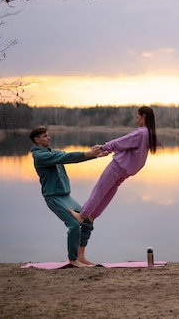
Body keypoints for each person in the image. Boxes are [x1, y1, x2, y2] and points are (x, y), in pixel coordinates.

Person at [29, 126, 108, 268]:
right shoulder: (41, 157)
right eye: (45, 136)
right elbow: (66, 157)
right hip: (54, 197)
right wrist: (89, 153)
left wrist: (94, 155)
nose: (49, 138)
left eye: (48, 135)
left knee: (87, 219)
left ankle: (81, 257)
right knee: (74, 224)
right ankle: (73, 260)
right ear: (37, 139)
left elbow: (72, 158)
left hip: (66, 196)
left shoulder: (52, 153)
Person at [69, 106, 160, 224]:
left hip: (117, 167)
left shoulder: (141, 133)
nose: (137, 120)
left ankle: (81, 216)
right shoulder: (150, 134)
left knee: (99, 190)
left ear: (143, 117)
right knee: (110, 192)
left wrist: (104, 147)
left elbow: (122, 141)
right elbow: (130, 149)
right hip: (125, 172)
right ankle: (92, 217)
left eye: (138, 117)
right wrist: (111, 150)